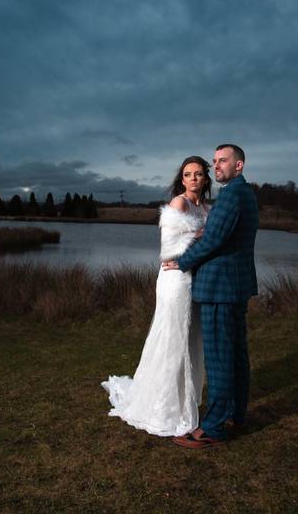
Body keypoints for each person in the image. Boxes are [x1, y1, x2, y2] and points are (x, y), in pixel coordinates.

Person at [101, 156, 211, 436]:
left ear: (205, 178)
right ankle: (166, 408)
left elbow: (206, 242)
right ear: (182, 179)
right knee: (173, 339)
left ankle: (188, 400)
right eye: (188, 174)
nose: (194, 179)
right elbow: (170, 248)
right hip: (175, 279)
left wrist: (205, 238)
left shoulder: (207, 208)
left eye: (198, 174)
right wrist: (201, 236)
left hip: (195, 277)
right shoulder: (179, 203)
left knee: (190, 339)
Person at [162, 143, 259, 449]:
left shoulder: (232, 194)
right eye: (214, 161)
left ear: (239, 165)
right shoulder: (244, 193)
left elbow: (213, 240)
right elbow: (216, 235)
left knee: (219, 359)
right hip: (235, 285)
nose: (216, 166)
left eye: (223, 161)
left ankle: (213, 427)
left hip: (220, 286)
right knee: (236, 354)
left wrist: (183, 261)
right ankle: (236, 414)